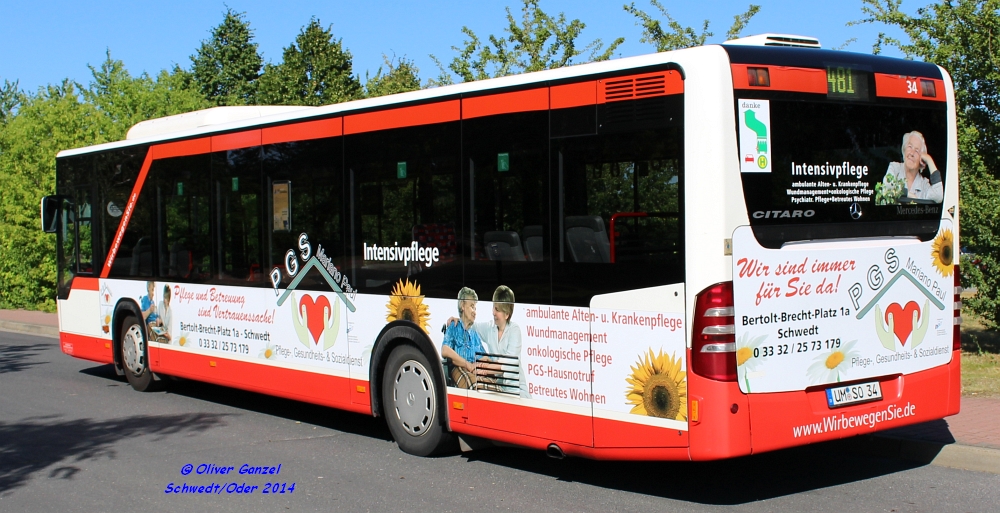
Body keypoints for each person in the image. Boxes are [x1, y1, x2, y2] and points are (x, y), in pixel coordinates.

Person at [440, 287, 485, 389]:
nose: (475, 312)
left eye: (475, 308)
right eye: (472, 306)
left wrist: (482, 364)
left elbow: (484, 357)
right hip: (459, 368)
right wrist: (467, 364)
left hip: (474, 370)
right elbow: (445, 350)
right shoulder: (454, 326)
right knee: (475, 386)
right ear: (462, 306)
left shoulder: (475, 334)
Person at [882, 131, 943, 203]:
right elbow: (887, 186)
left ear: (921, 160)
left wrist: (929, 160)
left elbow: (939, 196)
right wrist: (910, 196)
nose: (912, 153)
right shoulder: (895, 167)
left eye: (917, 151)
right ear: (904, 150)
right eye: (910, 147)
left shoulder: (923, 184)